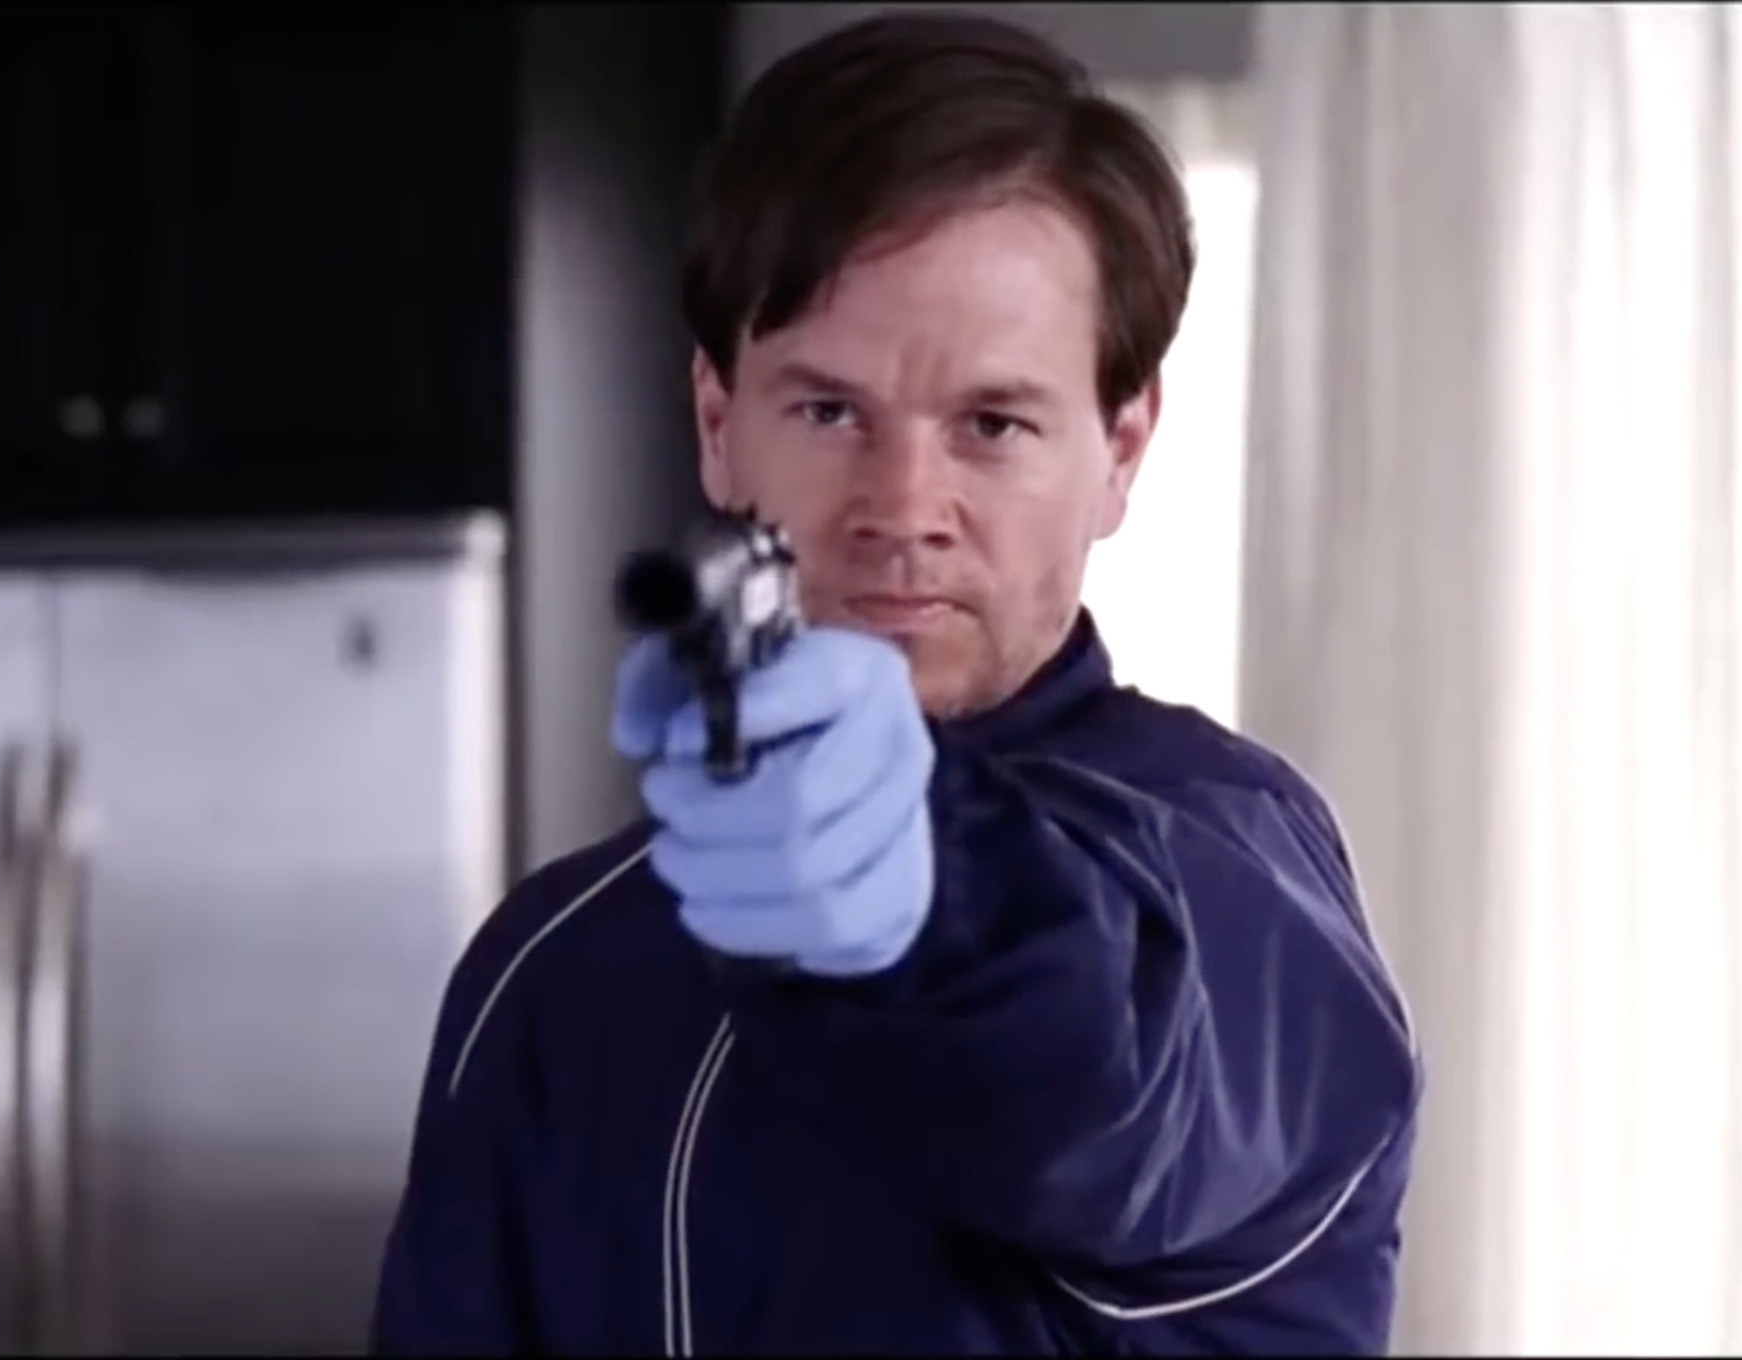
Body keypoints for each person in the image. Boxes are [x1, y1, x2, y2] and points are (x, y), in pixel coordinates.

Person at [371, 10, 1421, 1356]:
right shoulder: (554, 969)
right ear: (718, 426)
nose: (903, 508)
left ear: (1121, 451)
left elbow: (1118, 1080)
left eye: (992, 424)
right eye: (828, 412)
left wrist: (929, 899)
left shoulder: (1238, 883)